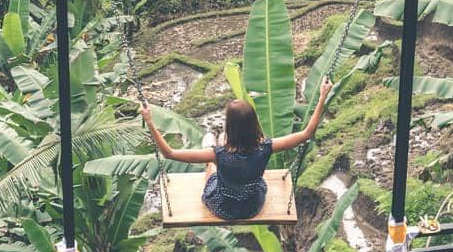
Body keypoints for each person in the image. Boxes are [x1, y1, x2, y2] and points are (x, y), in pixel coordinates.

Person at [140, 78, 334, 221]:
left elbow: (169, 153)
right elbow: (307, 133)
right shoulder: (266, 147)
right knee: (221, 159)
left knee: (211, 164)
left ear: (230, 126)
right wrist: (323, 96)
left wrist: (150, 121)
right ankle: (216, 142)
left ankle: (211, 141)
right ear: (253, 123)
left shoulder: (218, 155)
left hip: (223, 207)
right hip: (252, 205)